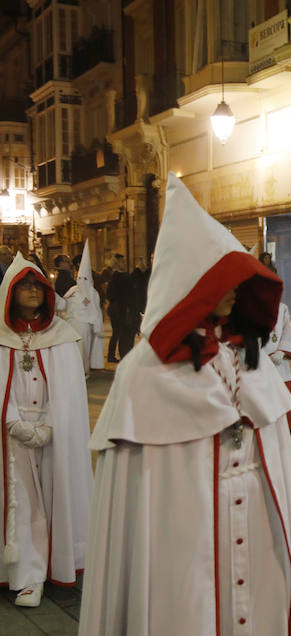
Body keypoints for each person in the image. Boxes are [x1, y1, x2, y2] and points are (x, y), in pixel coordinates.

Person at [79, 174, 291, 635]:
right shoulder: (141, 374)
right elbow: (136, 500)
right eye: (221, 283)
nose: (234, 293)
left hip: (257, 521)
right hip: (182, 527)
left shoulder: (251, 358)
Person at [0, 254, 92, 608]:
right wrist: (12, 422)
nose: (31, 291)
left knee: (54, 498)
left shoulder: (62, 337)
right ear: (9, 292)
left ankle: (56, 563)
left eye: (36, 285)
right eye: (23, 285)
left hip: (53, 432)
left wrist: (51, 425)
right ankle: (25, 574)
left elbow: (70, 392)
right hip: (11, 434)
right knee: (20, 503)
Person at [260, 256, 291, 434]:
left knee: (282, 391)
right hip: (262, 358)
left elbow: (286, 333)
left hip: (278, 359)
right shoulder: (254, 306)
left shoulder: (282, 308)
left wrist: (282, 351)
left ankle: (287, 426)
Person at [63, 240, 105, 375]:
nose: (82, 282)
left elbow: (96, 311)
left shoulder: (93, 293)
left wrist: (97, 326)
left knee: (84, 350)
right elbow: (64, 304)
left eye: (85, 279)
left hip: (85, 326)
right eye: (80, 278)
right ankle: (74, 371)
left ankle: (83, 371)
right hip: (72, 325)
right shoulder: (73, 290)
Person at [106, 253, 135, 362]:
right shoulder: (117, 276)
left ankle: (111, 355)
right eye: (122, 261)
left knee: (116, 333)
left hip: (118, 309)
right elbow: (111, 294)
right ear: (118, 263)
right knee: (118, 332)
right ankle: (112, 355)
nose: (124, 263)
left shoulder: (118, 275)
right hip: (118, 310)